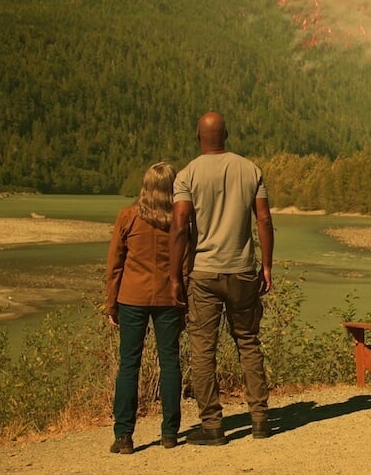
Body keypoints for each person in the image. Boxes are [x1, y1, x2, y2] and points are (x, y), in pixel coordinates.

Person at [170, 111, 275, 446]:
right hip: (243, 269)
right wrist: (267, 266)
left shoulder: (187, 175)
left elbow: (179, 226)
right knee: (248, 343)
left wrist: (176, 276)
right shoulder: (250, 169)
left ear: (198, 136)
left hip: (203, 273)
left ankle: (213, 426)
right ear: (226, 135)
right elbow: (264, 219)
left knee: (203, 349)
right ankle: (260, 419)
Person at [105, 162, 184, 454]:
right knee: (170, 361)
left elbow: (115, 264)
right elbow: (185, 263)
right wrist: (184, 303)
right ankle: (169, 433)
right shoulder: (180, 219)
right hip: (169, 298)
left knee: (129, 364)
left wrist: (111, 303)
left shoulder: (128, 216)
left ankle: (124, 435)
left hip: (132, 298)